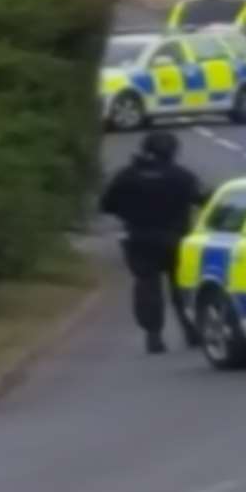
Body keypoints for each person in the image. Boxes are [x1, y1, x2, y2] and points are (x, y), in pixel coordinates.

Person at [99, 131, 208, 355]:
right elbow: (204, 200)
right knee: (183, 286)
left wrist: (129, 213)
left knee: (147, 286)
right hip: (176, 238)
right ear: (173, 151)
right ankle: (191, 332)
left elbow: (106, 204)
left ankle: (153, 336)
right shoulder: (182, 177)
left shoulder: (127, 176)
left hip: (140, 238)